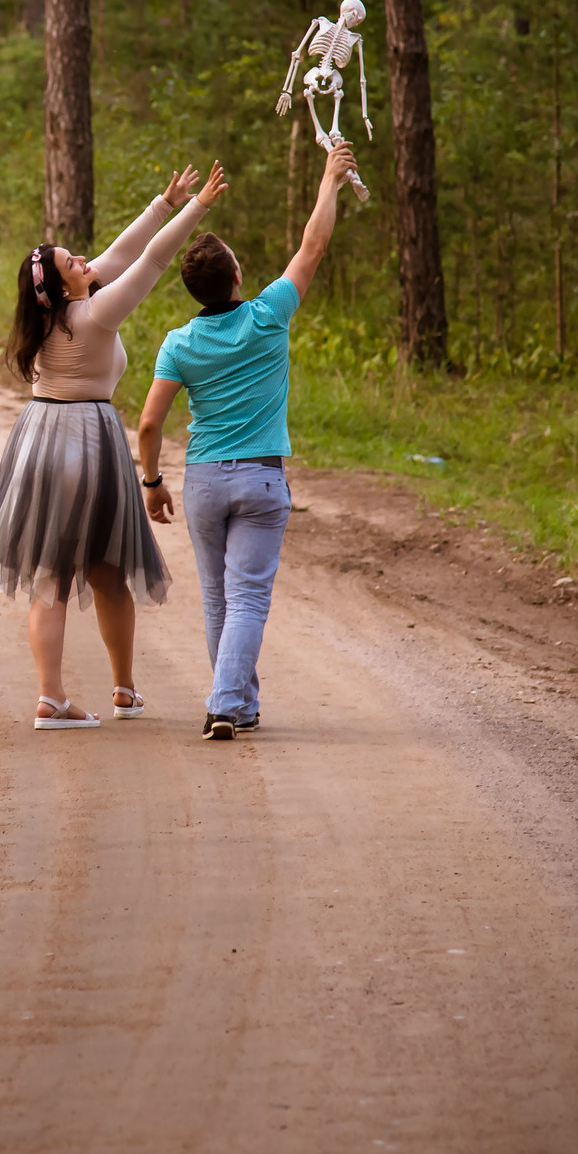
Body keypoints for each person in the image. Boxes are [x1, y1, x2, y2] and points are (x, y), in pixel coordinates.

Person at [0, 160, 228, 730]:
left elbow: (120, 253)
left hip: (38, 435)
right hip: (86, 440)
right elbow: (151, 260)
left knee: (53, 575)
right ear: (63, 285)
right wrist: (197, 207)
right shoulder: (96, 311)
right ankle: (106, 691)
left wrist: (164, 201)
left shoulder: (56, 312)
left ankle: (63, 695)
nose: (85, 261)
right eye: (72, 263)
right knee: (106, 568)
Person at [137, 141, 355, 740]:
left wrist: (152, 482)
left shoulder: (177, 344)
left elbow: (150, 424)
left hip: (204, 480)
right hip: (260, 478)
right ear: (237, 277)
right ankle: (227, 704)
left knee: (219, 599)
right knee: (250, 598)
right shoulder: (267, 315)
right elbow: (313, 246)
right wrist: (329, 182)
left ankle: (238, 703)